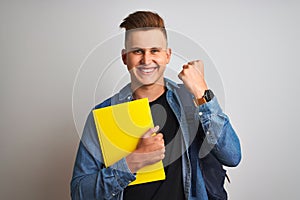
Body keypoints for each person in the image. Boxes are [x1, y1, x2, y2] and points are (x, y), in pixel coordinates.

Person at [71, 11, 241, 200]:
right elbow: (79, 193)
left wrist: (202, 93)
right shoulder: (103, 114)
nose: (146, 60)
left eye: (154, 50)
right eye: (137, 51)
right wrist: (132, 162)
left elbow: (232, 156)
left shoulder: (193, 101)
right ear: (124, 57)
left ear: (167, 55)